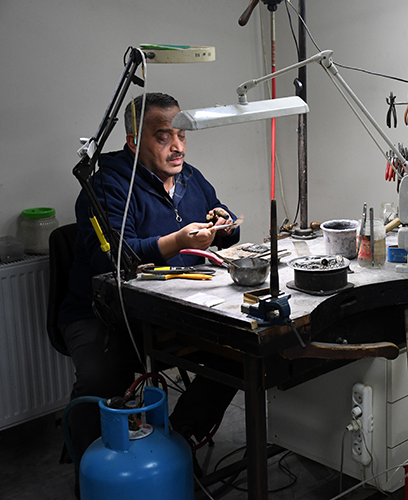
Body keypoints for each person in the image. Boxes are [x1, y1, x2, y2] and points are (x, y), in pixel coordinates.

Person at [58, 92, 241, 488]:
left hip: (174, 305)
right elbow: (113, 258)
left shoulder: (190, 178)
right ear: (134, 141)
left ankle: (179, 438)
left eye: (181, 135)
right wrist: (176, 241)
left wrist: (224, 224)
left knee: (237, 355)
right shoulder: (106, 185)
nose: (177, 147)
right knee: (103, 376)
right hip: (101, 312)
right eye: (163, 136)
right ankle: (90, 470)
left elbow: (224, 224)